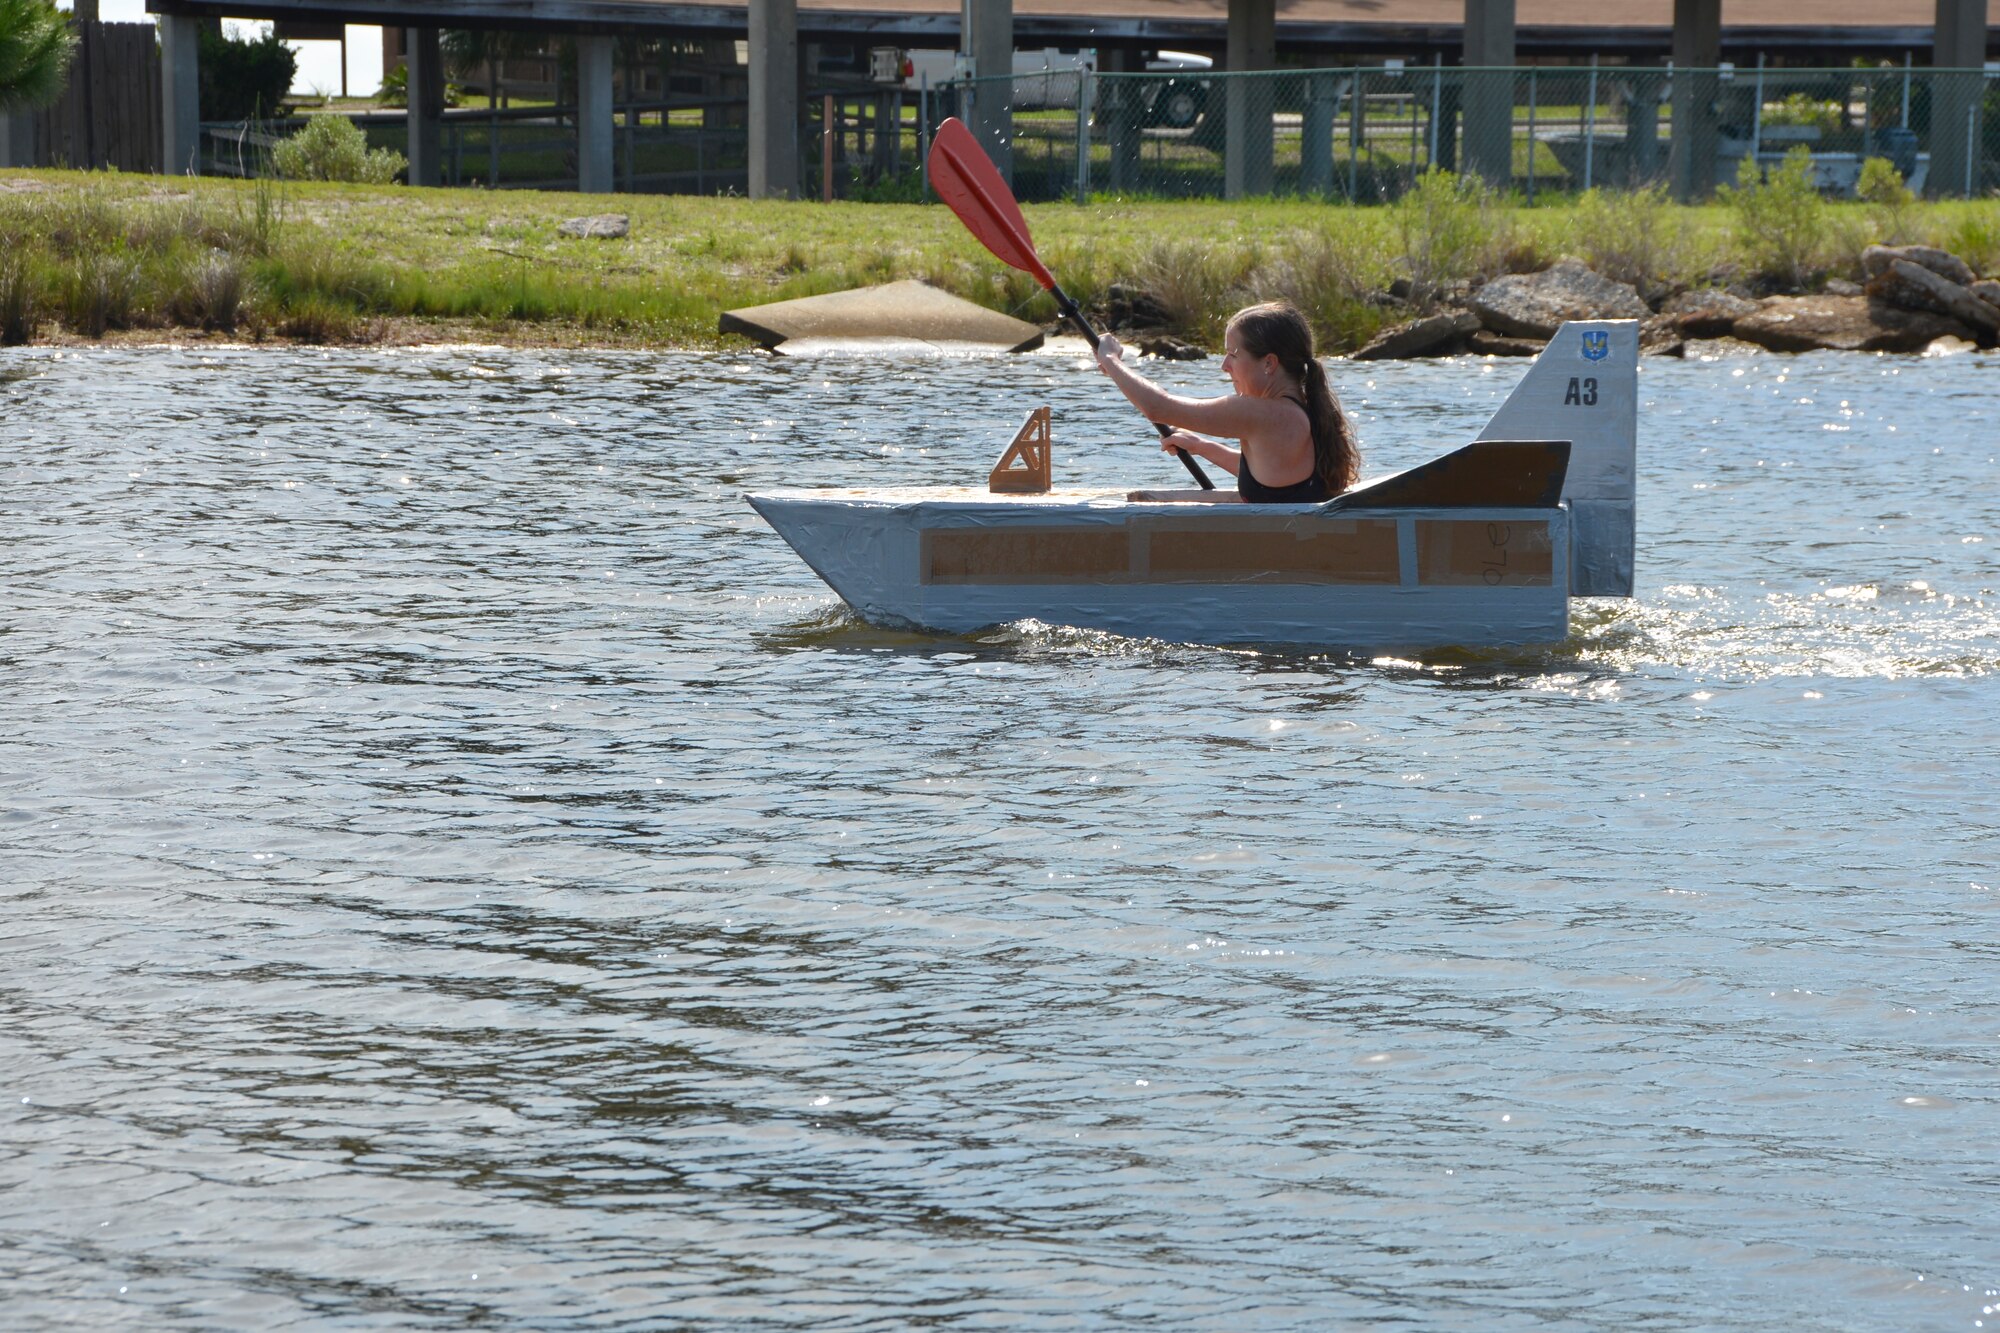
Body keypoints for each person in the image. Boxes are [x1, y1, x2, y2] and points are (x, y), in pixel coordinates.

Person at [1095, 301, 1360, 503]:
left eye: (1233, 354)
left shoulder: (1260, 413)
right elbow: (1271, 475)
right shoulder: (1301, 409)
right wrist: (1203, 447)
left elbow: (1158, 407)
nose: (1224, 366)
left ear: (1269, 363)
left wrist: (1110, 359)